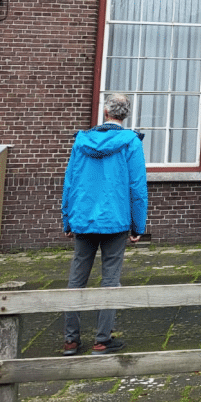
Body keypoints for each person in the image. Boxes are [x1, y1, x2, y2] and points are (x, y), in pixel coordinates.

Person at [62, 92, 147, 355]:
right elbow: (137, 187)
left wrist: (67, 218)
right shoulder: (130, 142)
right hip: (115, 220)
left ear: (105, 112)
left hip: (84, 219)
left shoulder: (82, 141)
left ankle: (71, 340)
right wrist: (138, 225)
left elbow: (70, 182)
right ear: (126, 114)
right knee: (110, 279)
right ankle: (102, 340)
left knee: (77, 279)